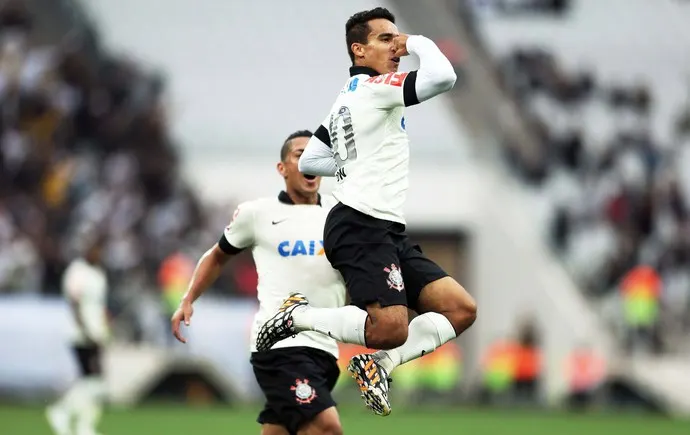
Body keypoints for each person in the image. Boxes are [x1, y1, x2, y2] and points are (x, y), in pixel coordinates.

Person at [255, 8, 477, 417]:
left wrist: (349, 166)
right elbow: (445, 76)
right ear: (358, 50)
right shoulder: (376, 88)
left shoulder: (346, 97)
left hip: (385, 228)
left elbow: (312, 160)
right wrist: (418, 42)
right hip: (361, 223)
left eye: (397, 38)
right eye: (385, 39)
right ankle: (297, 317)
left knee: (460, 309)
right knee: (390, 328)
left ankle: (379, 365)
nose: (396, 46)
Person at [171, 130, 347, 435]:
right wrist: (188, 299)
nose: (311, 161)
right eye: (300, 155)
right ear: (283, 168)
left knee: (278, 429)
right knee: (326, 427)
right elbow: (216, 256)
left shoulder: (341, 214)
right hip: (279, 343)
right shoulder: (258, 214)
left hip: (325, 346)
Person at [46, 236, 110, 435]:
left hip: (97, 332)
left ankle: (81, 424)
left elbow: (99, 306)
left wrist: (104, 327)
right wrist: (85, 329)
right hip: (81, 333)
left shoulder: (98, 273)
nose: (98, 254)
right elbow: (75, 303)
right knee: (93, 379)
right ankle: (64, 413)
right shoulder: (77, 271)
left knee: (93, 381)